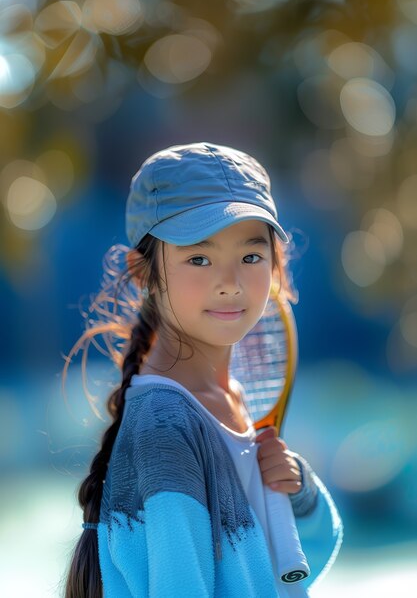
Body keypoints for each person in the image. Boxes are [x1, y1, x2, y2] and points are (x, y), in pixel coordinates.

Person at [62, 142, 343, 598]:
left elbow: (284, 572)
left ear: (275, 266)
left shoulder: (230, 395)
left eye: (251, 256)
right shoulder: (165, 427)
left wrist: (300, 495)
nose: (230, 283)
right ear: (144, 273)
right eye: (198, 258)